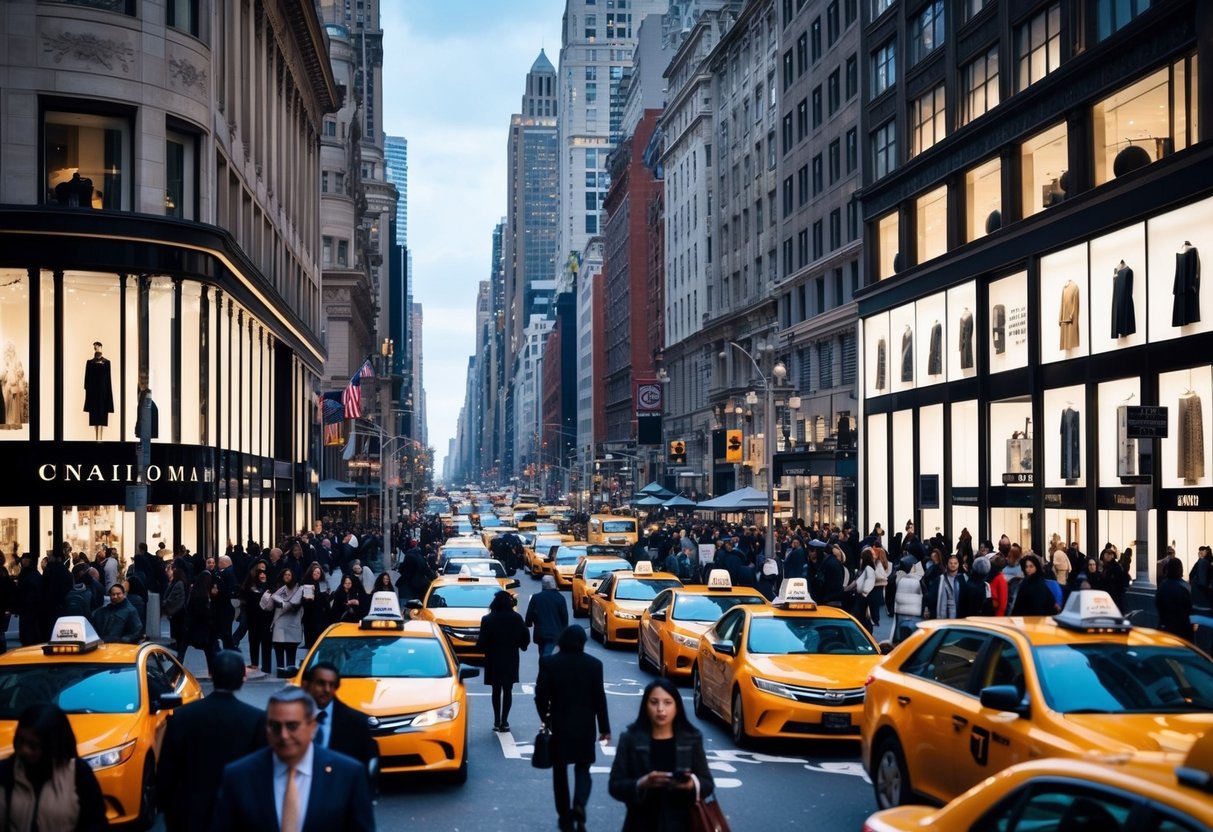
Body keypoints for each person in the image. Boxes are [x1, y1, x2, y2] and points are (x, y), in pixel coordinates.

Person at [210, 685, 376, 832]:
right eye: (275, 726)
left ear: (312, 726)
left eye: (292, 726)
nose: (283, 735)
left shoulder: (348, 775)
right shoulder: (238, 776)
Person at [158, 650, 266, 832]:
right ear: (243, 678)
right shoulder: (256, 719)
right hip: (236, 810)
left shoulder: (181, 717)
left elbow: (167, 769)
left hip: (189, 812)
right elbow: (261, 771)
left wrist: (165, 807)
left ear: (211, 674)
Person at [608, 678, 715, 832]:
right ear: (645, 706)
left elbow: (707, 783)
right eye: (654, 702)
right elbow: (614, 785)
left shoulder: (691, 739)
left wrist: (691, 784)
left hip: (682, 823)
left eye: (667, 702)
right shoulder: (630, 739)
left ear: (677, 707)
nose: (660, 709)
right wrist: (641, 783)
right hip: (640, 823)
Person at [535, 625, 611, 832]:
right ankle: (579, 803)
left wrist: (545, 719)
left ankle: (564, 814)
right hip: (585, 726)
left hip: (559, 725)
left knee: (560, 771)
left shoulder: (550, 663)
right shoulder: (594, 665)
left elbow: (540, 695)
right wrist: (604, 728)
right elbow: (599, 699)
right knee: (583, 767)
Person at [0, 703, 106, 832]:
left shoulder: (78, 772)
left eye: (33, 746)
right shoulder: (5, 771)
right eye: (20, 741)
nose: (24, 750)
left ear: (52, 746)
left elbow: (96, 822)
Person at [300, 663, 378, 775]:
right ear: (306, 685)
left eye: (331, 685)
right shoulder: (291, 714)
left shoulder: (356, 723)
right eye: (321, 683)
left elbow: (367, 767)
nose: (327, 689)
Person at [477, 590, 530, 732]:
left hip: (493, 658)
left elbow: (481, 642)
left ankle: (496, 720)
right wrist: (521, 645)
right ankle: (505, 720)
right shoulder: (516, 618)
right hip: (510, 658)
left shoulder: (487, 619)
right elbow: (525, 637)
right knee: (508, 690)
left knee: (496, 690)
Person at [270, 567, 305, 672]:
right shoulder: (279, 588)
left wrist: (283, 604)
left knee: (291, 648)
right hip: (279, 622)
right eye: (285, 575)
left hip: (293, 622)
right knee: (278, 645)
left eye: (289, 575)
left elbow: (295, 604)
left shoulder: (299, 589)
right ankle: (280, 669)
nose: (287, 577)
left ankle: (290, 668)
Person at [524, 575, 568, 656]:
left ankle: (543, 666)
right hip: (556, 633)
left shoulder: (536, 598)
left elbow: (529, 614)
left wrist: (528, 623)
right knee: (550, 655)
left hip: (540, 633)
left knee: (542, 654)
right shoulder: (560, 598)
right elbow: (565, 619)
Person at [243, 562, 274, 673]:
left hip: (266, 619)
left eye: (264, 573)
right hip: (253, 619)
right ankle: (254, 663)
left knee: (266, 642)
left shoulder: (270, 587)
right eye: (260, 574)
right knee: (254, 640)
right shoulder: (251, 588)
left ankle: (267, 666)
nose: (262, 576)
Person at [1156, 558, 1194, 641]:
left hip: (1166, 626)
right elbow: (1189, 608)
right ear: (1180, 569)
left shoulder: (1162, 586)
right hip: (1182, 628)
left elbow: (1158, 604)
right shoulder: (1185, 587)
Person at [891, 555, 923, 644]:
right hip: (915, 612)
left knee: (901, 635)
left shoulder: (899, 579)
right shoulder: (918, 579)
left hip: (901, 611)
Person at [300, 564, 331, 648]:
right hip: (309, 616)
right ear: (311, 573)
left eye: (318, 573)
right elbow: (301, 600)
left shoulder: (322, 584)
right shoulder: (305, 583)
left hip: (320, 616)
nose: (317, 574)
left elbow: (325, 600)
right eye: (315, 572)